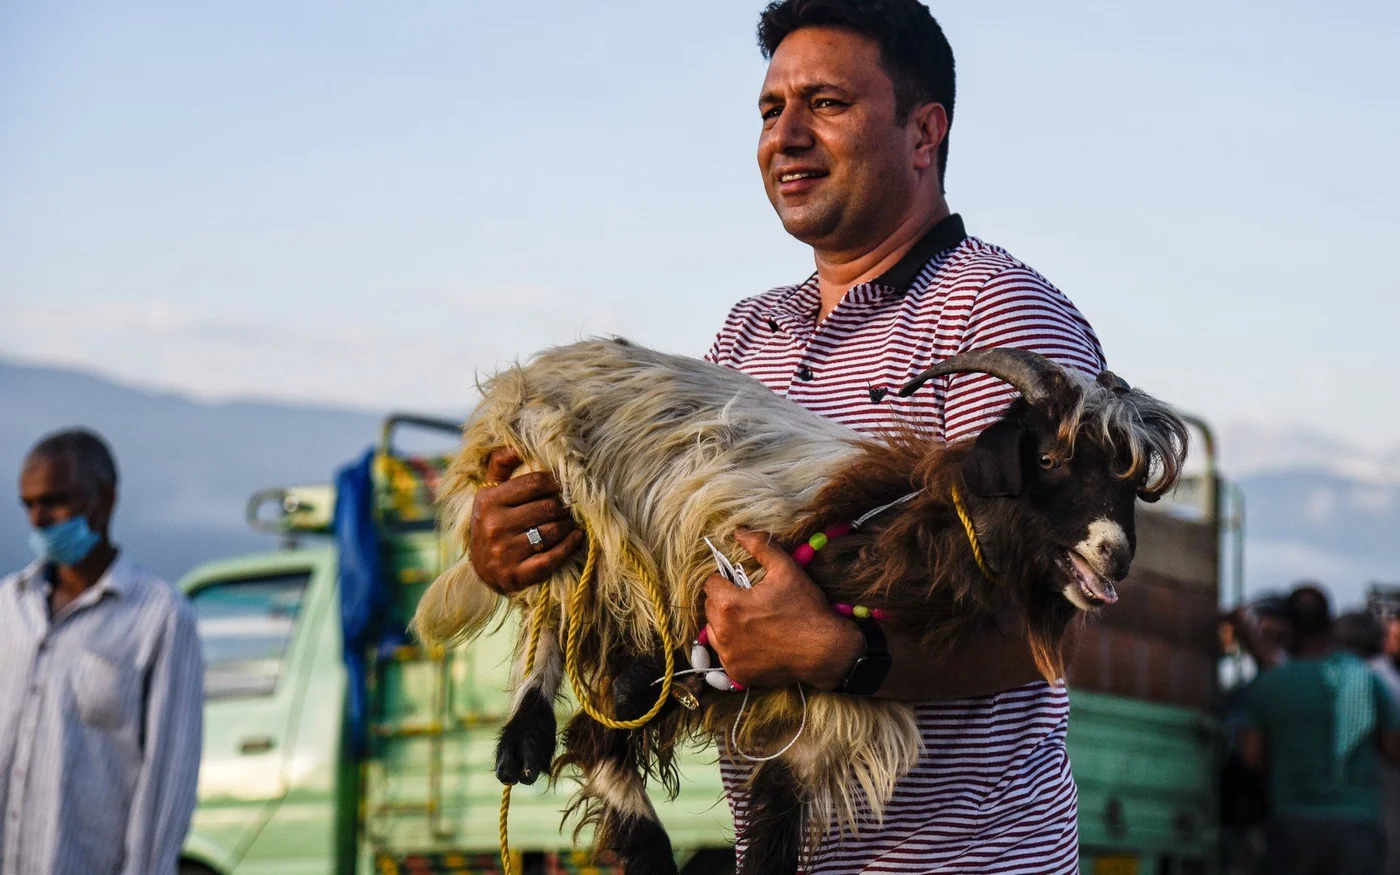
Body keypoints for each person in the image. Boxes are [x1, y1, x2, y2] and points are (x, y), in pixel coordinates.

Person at [469, 1, 1103, 870]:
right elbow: (660, 568)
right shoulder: (747, 337)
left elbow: (1076, 614)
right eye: (771, 111)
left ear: (925, 132)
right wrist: (525, 543)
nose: (786, 135)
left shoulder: (1001, 319)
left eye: (827, 105)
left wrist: (847, 653)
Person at [0, 430, 204, 875]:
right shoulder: (7, 610)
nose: (40, 518)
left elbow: (167, 782)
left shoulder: (160, 617)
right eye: (29, 504)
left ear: (104, 500)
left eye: (56, 501)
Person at [1241, 586, 1400, 875]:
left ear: (1290, 630)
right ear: (1329, 624)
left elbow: (1252, 757)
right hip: (1357, 827)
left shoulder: (1269, 685)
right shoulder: (1366, 680)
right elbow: (1393, 750)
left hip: (1292, 824)